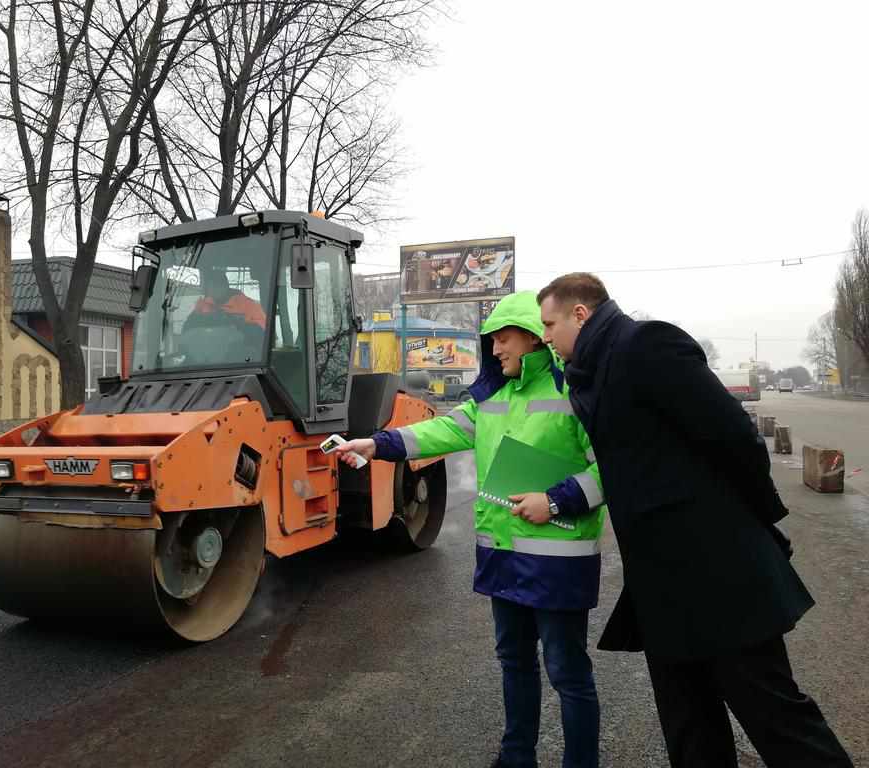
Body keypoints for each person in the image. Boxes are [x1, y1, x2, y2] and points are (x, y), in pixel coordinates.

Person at [536, 272, 853, 768]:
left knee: (778, 721)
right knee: (690, 730)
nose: (546, 336)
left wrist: (756, 525)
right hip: (660, 585)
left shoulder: (646, 344)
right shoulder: (590, 374)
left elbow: (734, 437)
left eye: (550, 323)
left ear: (581, 313)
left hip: (718, 573)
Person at [336, 291, 607, 768]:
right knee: (515, 663)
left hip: (559, 560)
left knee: (567, 673)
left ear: (532, 338)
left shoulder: (575, 393)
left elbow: (613, 465)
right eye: (493, 341)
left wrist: (557, 499)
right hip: (503, 555)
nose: (495, 349)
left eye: (503, 339)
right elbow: (437, 431)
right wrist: (375, 444)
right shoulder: (492, 398)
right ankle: (516, 757)